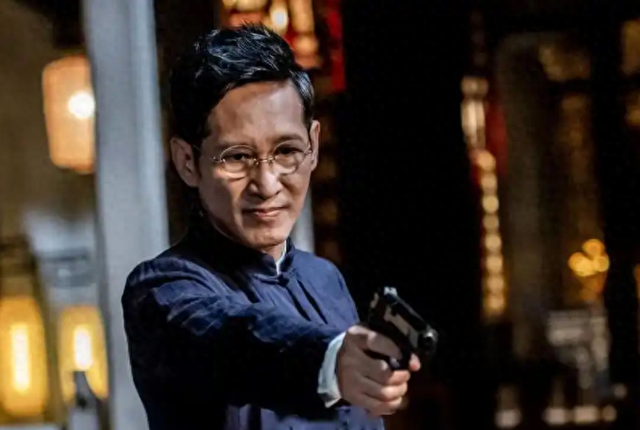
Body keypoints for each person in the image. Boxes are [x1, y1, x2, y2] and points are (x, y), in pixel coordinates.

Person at [122, 23, 421, 430]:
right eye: (236, 157)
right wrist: (331, 360)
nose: (266, 185)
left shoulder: (325, 280)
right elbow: (234, 341)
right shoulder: (162, 292)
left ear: (313, 146)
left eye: (286, 151)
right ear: (187, 162)